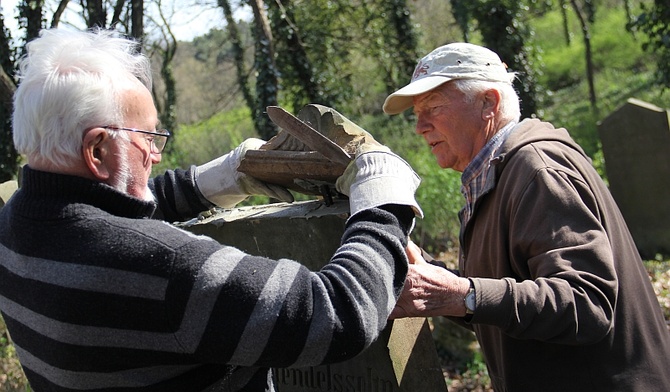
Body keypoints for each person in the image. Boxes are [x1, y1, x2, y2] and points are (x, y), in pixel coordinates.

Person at [0, 28, 422, 391]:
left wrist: (213, 179)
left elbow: (109, 218)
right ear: (97, 149)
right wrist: (383, 205)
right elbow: (336, 315)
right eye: (148, 137)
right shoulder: (168, 270)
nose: (156, 155)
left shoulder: (13, 225)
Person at [384, 42, 670, 391]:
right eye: (417, 113)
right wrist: (432, 271)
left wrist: (461, 294)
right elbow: (506, 307)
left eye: (433, 107)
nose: (419, 126)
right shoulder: (496, 174)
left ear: (489, 102)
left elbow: (586, 303)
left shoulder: (537, 170)